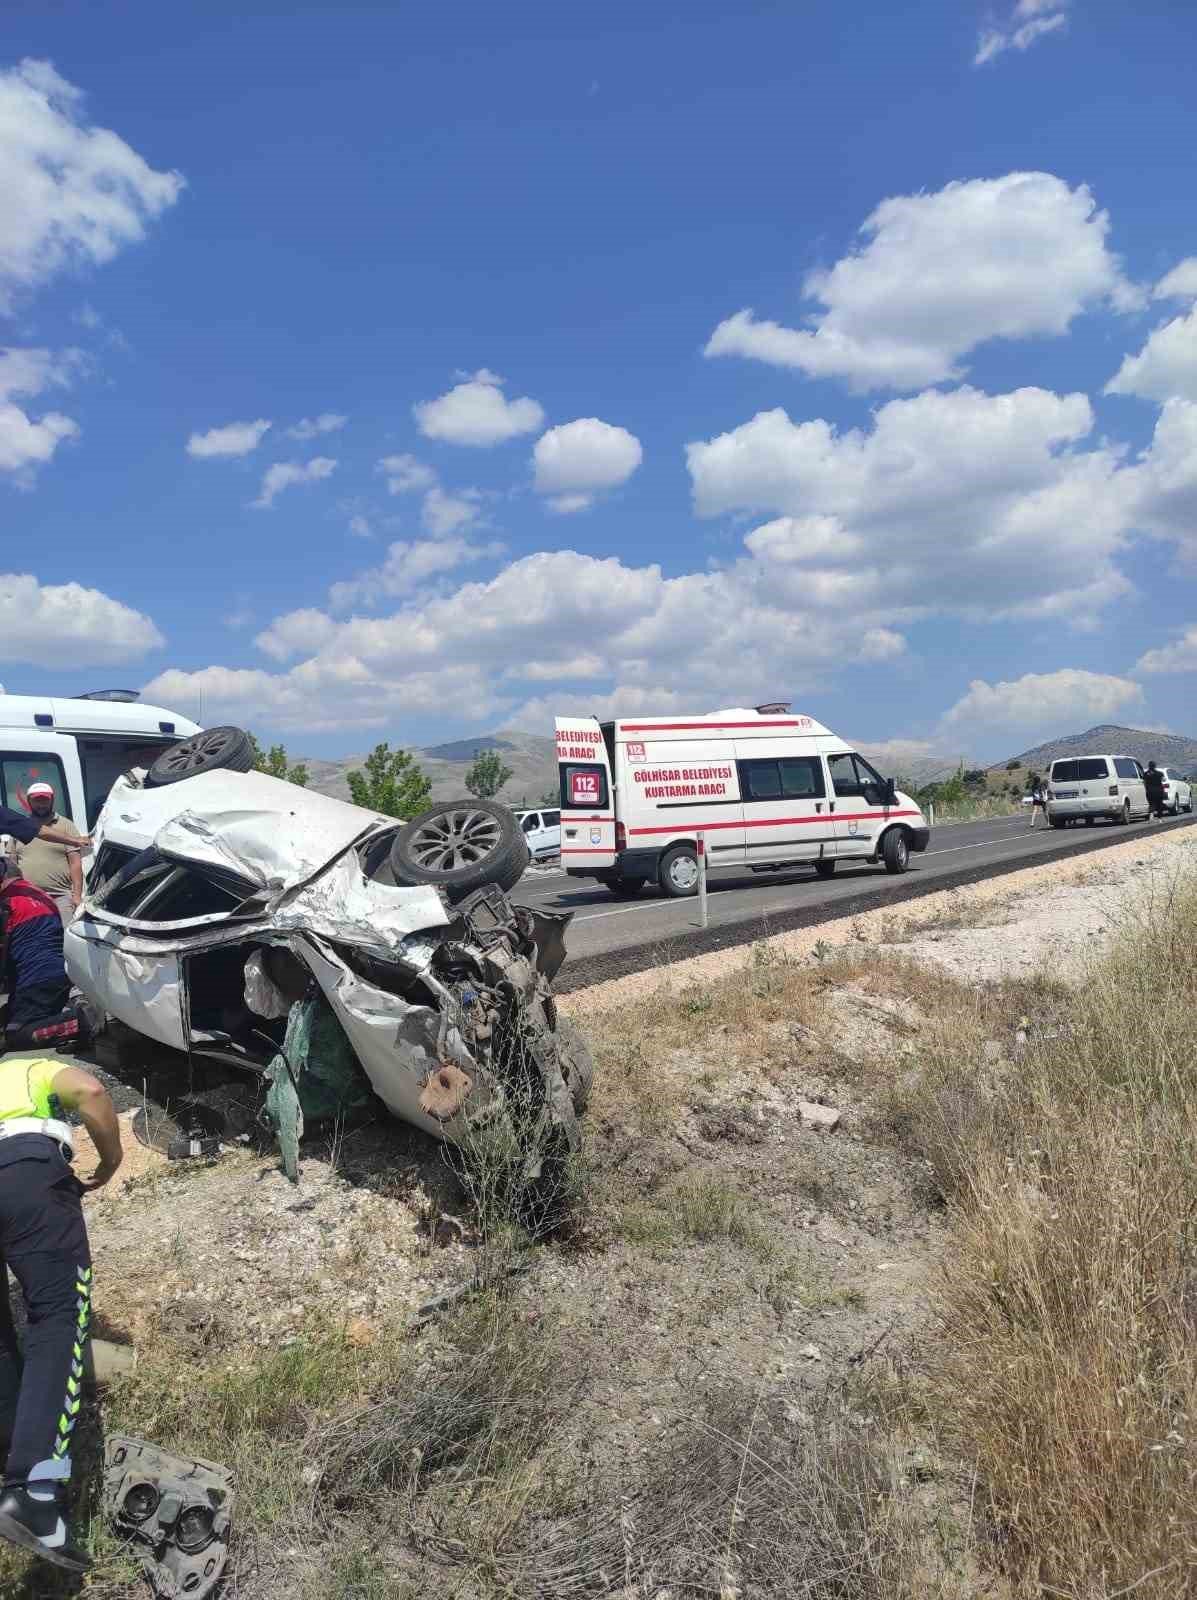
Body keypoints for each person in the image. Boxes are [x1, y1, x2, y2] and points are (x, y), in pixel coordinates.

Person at [0, 1056, 122, 1571]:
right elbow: (91, 1091)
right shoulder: (29, 1068)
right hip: (23, 1172)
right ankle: (34, 1488)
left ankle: (14, 1460)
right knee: (58, 1316)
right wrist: (110, 1159)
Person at [0, 863, 71, 1035]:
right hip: (59, 977)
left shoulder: (7, 903)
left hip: (35, 982)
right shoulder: (42, 896)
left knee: (16, 1034)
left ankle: (80, 1020)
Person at [14, 784, 83, 924]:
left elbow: (75, 863)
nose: (41, 804)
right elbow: (12, 862)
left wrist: (77, 896)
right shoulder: (20, 825)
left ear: (52, 800)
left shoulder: (66, 825)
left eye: (45, 800)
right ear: (29, 801)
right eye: (37, 800)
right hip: (27, 896)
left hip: (61, 897)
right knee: (30, 939)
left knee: (63, 939)